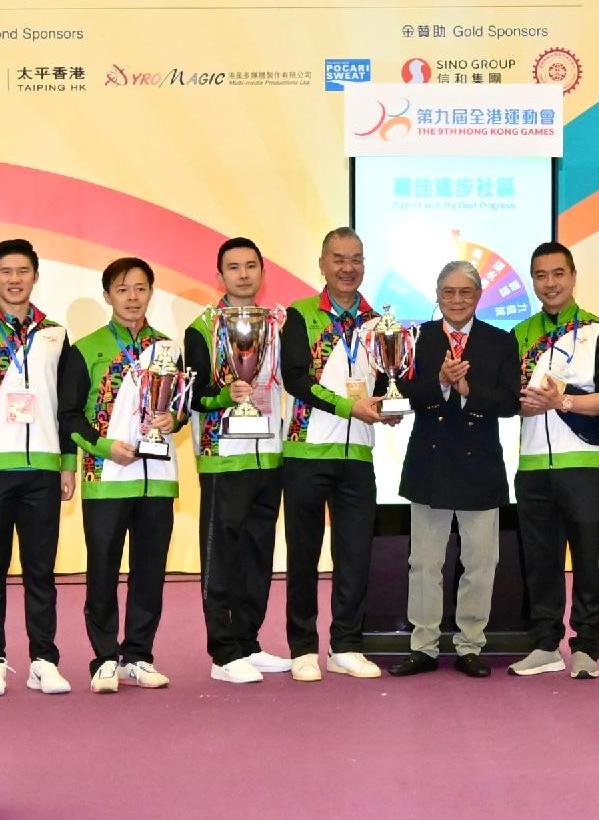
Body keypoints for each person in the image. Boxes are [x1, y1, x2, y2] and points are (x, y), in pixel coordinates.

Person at [0, 239, 77, 698]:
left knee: (41, 570)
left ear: (35, 275)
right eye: (6, 271)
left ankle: (44, 658)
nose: (15, 279)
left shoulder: (56, 334)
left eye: (23, 270)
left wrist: (67, 463)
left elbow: (68, 408)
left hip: (43, 469)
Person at [184, 238, 301, 683]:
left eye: (251, 266)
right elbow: (192, 395)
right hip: (221, 456)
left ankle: (249, 642)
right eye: (234, 267)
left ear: (262, 272)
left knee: (258, 552)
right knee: (222, 556)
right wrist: (223, 396)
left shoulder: (280, 322)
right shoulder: (201, 327)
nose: (244, 274)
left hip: (270, 452)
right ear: (219, 276)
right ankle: (223, 652)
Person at [394, 260, 518, 677]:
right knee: (424, 563)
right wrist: (441, 382)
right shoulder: (418, 338)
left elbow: (509, 401)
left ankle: (470, 645)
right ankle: (424, 645)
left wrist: (467, 388)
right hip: (429, 465)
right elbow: (405, 392)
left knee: (481, 563)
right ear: (437, 295)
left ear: (479, 295)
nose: (457, 299)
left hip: (480, 467)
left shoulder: (501, 341)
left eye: (466, 292)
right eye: (448, 292)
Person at [276, 228, 389, 683]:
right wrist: (349, 406)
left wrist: (386, 405)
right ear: (321, 264)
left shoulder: (380, 322)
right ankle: (302, 647)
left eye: (356, 259)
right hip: (305, 451)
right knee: (303, 554)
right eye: (338, 259)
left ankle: (346, 644)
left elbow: (385, 379)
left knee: (355, 554)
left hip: (358, 454)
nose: (348, 267)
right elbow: (296, 379)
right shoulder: (300, 315)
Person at [72, 257, 185, 692]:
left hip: (157, 476)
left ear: (151, 293)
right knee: (102, 568)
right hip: (106, 477)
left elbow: (182, 410)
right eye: (122, 289)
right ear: (107, 296)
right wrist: (104, 448)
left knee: (150, 569)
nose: (132, 297)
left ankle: (138, 654)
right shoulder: (85, 349)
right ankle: (103, 657)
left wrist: (171, 422)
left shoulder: (169, 349)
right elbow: (70, 417)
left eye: (140, 288)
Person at [508, 242, 599, 679]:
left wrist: (563, 401)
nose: (549, 283)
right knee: (540, 559)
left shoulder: (598, 331)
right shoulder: (519, 335)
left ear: (573, 277)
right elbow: (504, 397)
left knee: (588, 560)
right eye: (540, 275)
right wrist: (523, 406)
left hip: (584, 465)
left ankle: (587, 646)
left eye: (558, 273)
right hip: (533, 465)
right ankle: (544, 643)